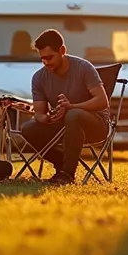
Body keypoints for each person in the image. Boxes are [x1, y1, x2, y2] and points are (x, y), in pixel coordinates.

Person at [18, 29, 111, 185]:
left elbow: (102, 101)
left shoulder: (83, 67)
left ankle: (67, 174)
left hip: (95, 125)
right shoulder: (39, 78)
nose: (46, 62)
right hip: (63, 125)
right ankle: (62, 163)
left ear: (62, 51)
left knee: (73, 115)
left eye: (49, 57)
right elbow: (39, 113)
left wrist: (71, 107)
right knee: (28, 128)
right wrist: (48, 118)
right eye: (42, 59)